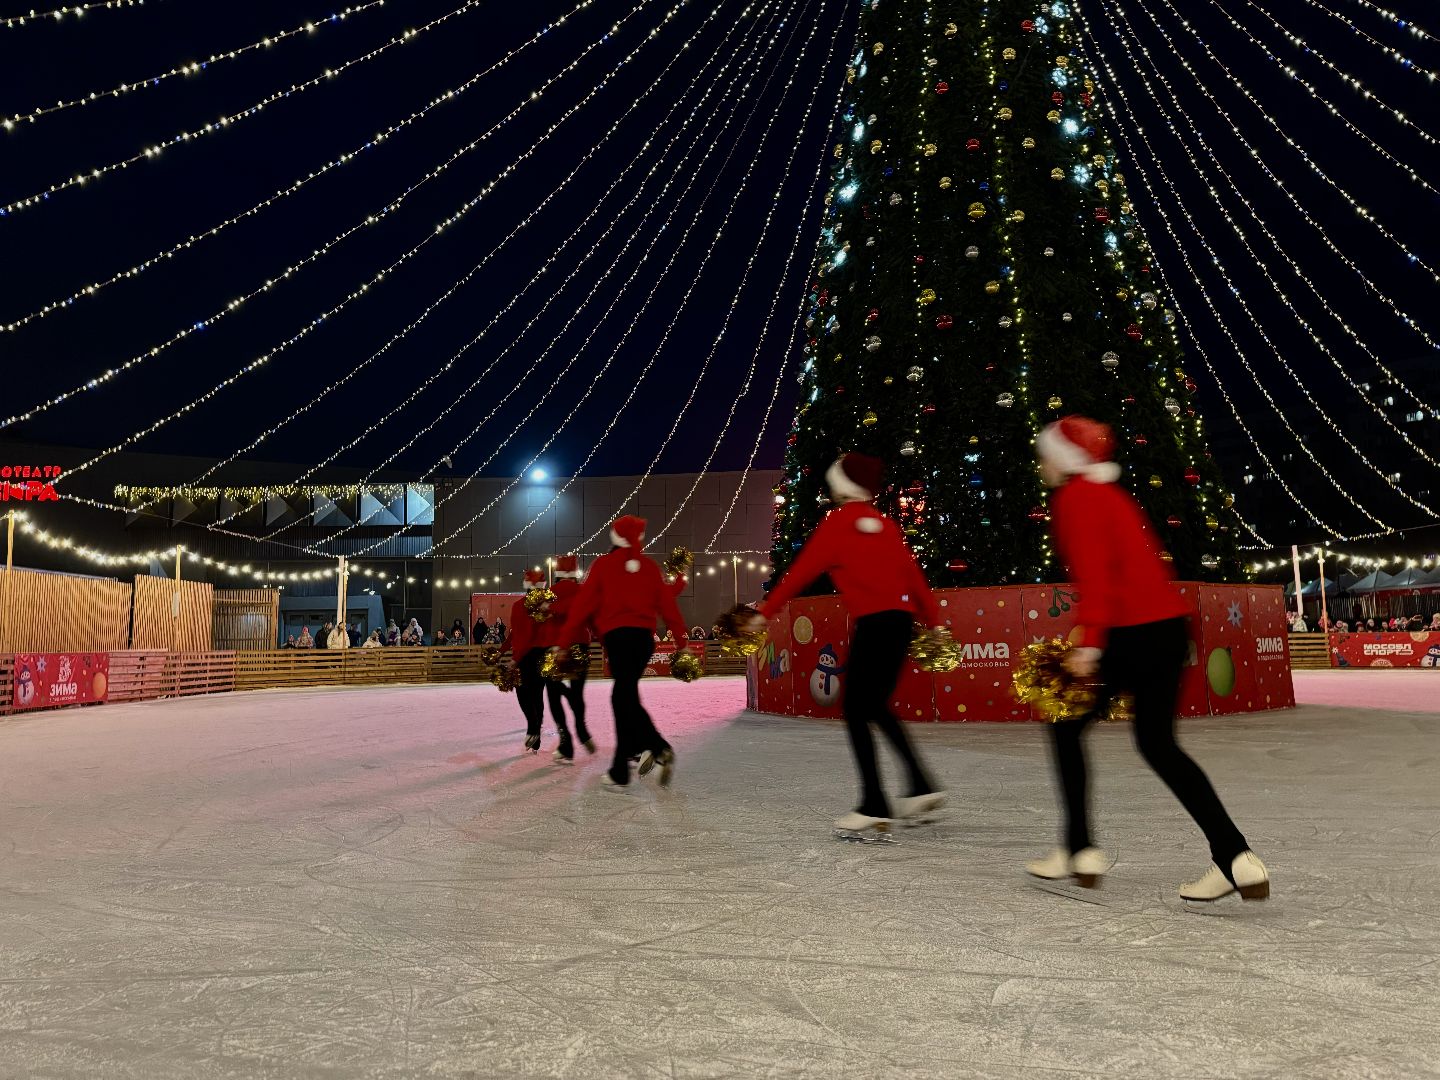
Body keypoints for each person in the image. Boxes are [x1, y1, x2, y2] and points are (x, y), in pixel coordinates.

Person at [1025, 416, 1267, 902]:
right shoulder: (1111, 494)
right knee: (1158, 744)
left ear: (1062, 458)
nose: (1041, 463)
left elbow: (1096, 575)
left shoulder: (1075, 498)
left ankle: (1079, 849)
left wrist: (1090, 644)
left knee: (1066, 727)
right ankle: (1237, 858)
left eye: (1044, 454)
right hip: (1166, 629)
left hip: (1128, 631)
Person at [745, 453, 945, 839]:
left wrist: (766, 612)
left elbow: (801, 572)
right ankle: (920, 785)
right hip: (900, 623)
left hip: (875, 624)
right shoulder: (885, 524)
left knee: (856, 709)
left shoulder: (838, 523)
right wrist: (934, 621)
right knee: (875, 706)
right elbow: (912, 574)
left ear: (840, 484)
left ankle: (874, 804)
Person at [556, 515, 689, 790]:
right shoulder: (649, 567)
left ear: (614, 537)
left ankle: (653, 749)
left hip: (619, 639)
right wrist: (681, 642)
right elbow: (668, 606)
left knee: (623, 697)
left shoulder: (603, 565)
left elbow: (581, 607)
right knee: (624, 697)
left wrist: (564, 643)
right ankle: (629, 760)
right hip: (643, 641)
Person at [507, 569, 577, 761]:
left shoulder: (519, 606)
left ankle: (533, 727)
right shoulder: (552, 604)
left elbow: (520, 636)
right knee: (539, 694)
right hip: (547, 654)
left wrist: (514, 658)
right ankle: (537, 732)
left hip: (527, 656)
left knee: (524, 692)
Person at [548, 555, 596, 757]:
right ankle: (582, 730)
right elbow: (592, 618)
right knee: (578, 692)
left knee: (553, 694)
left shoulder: (551, 593)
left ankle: (565, 742)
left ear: (557, 573)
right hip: (581, 645)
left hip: (556, 647)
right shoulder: (583, 591)